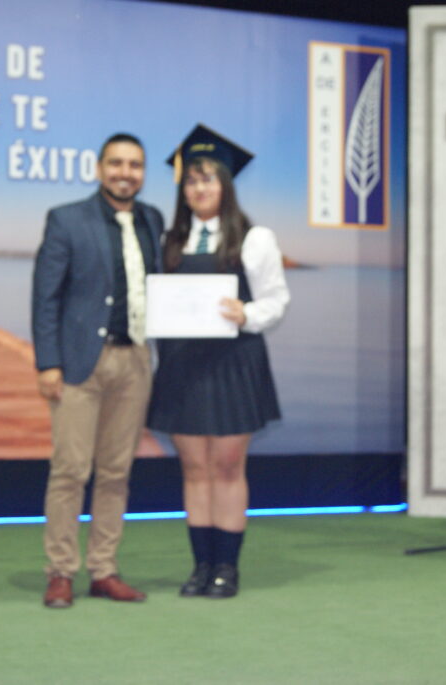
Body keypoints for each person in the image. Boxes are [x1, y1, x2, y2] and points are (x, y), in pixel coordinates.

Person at [147, 124, 289, 598]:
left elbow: (276, 301)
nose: (199, 188)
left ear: (225, 184)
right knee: (193, 468)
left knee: (227, 465)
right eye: (191, 180)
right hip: (182, 366)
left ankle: (227, 567)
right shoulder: (169, 241)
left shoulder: (254, 239)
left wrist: (246, 314)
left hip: (234, 362)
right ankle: (200, 566)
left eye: (208, 179)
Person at [31, 133, 164, 608]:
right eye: (116, 163)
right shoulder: (66, 219)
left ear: (143, 173)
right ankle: (60, 571)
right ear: (98, 168)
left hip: (135, 362)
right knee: (70, 470)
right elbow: (46, 297)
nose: (125, 173)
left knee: (116, 472)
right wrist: (48, 362)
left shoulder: (153, 220)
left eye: (135, 165)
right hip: (79, 364)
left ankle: (104, 570)